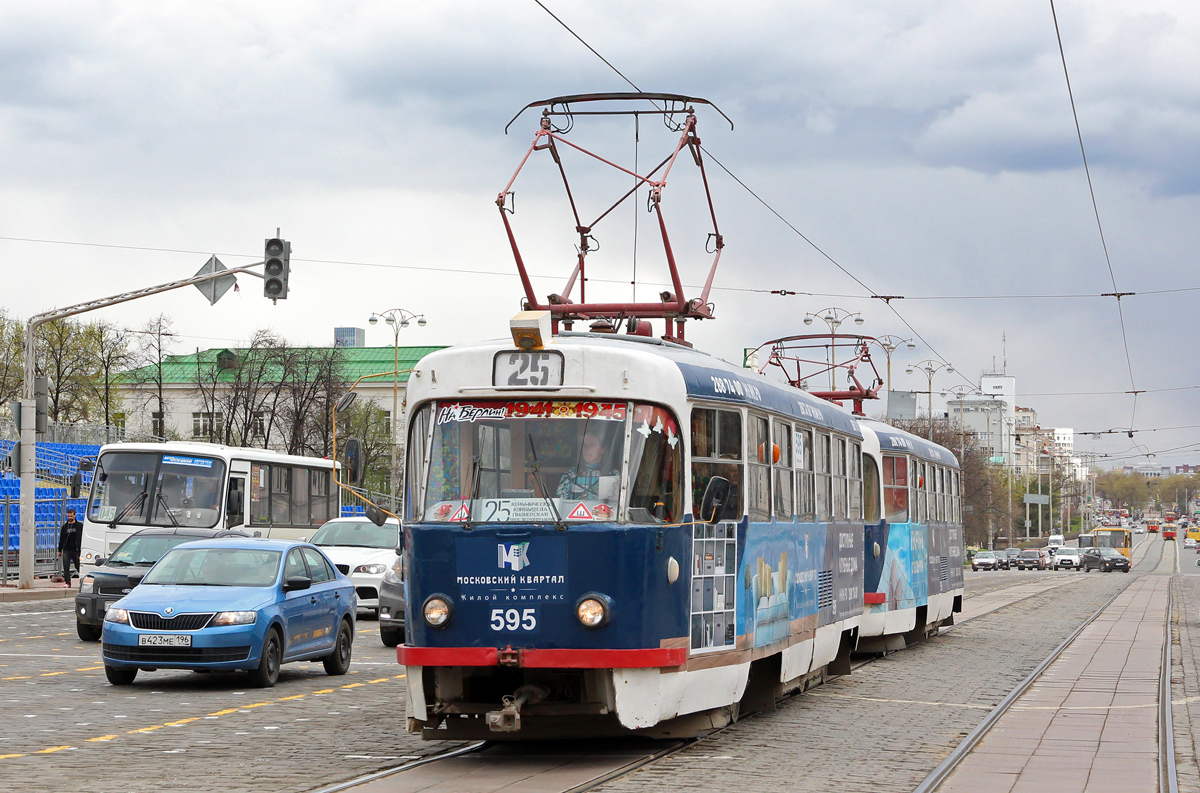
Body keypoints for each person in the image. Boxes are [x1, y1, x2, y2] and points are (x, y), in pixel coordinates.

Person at [557, 431, 619, 500]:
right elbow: (560, 503)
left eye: (592, 445)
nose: (587, 449)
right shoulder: (570, 474)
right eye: (585, 445)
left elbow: (617, 504)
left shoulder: (613, 475)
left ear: (603, 449)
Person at [58, 508, 83, 587]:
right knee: (66, 566)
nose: (69, 518)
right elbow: (61, 539)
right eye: (68, 516)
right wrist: (59, 550)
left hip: (76, 550)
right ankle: (68, 582)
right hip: (66, 549)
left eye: (71, 516)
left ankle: (83, 580)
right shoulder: (65, 527)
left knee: (78, 566)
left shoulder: (79, 526)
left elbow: (82, 537)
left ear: (74, 515)